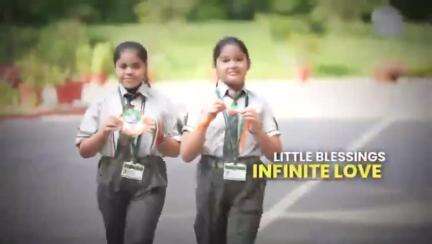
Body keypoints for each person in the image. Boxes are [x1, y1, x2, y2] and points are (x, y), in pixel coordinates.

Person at [76, 41, 181, 244]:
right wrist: (102, 133)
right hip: (111, 177)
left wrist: (159, 136)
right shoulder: (102, 103)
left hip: (149, 180)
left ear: (145, 67)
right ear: (115, 67)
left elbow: (176, 150)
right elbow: (84, 150)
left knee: (139, 239)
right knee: (115, 238)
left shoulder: (162, 103)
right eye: (123, 66)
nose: (129, 71)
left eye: (136, 66)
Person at [181, 36, 282, 244]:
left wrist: (258, 131)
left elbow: (276, 153)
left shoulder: (259, 103)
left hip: (248, 179)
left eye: (238, 59)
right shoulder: (202, 101)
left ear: (248, 64)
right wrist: (205, 121)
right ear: (215, 66)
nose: (232, 65)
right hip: (211, 175)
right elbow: (187, 154)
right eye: (225, 60)